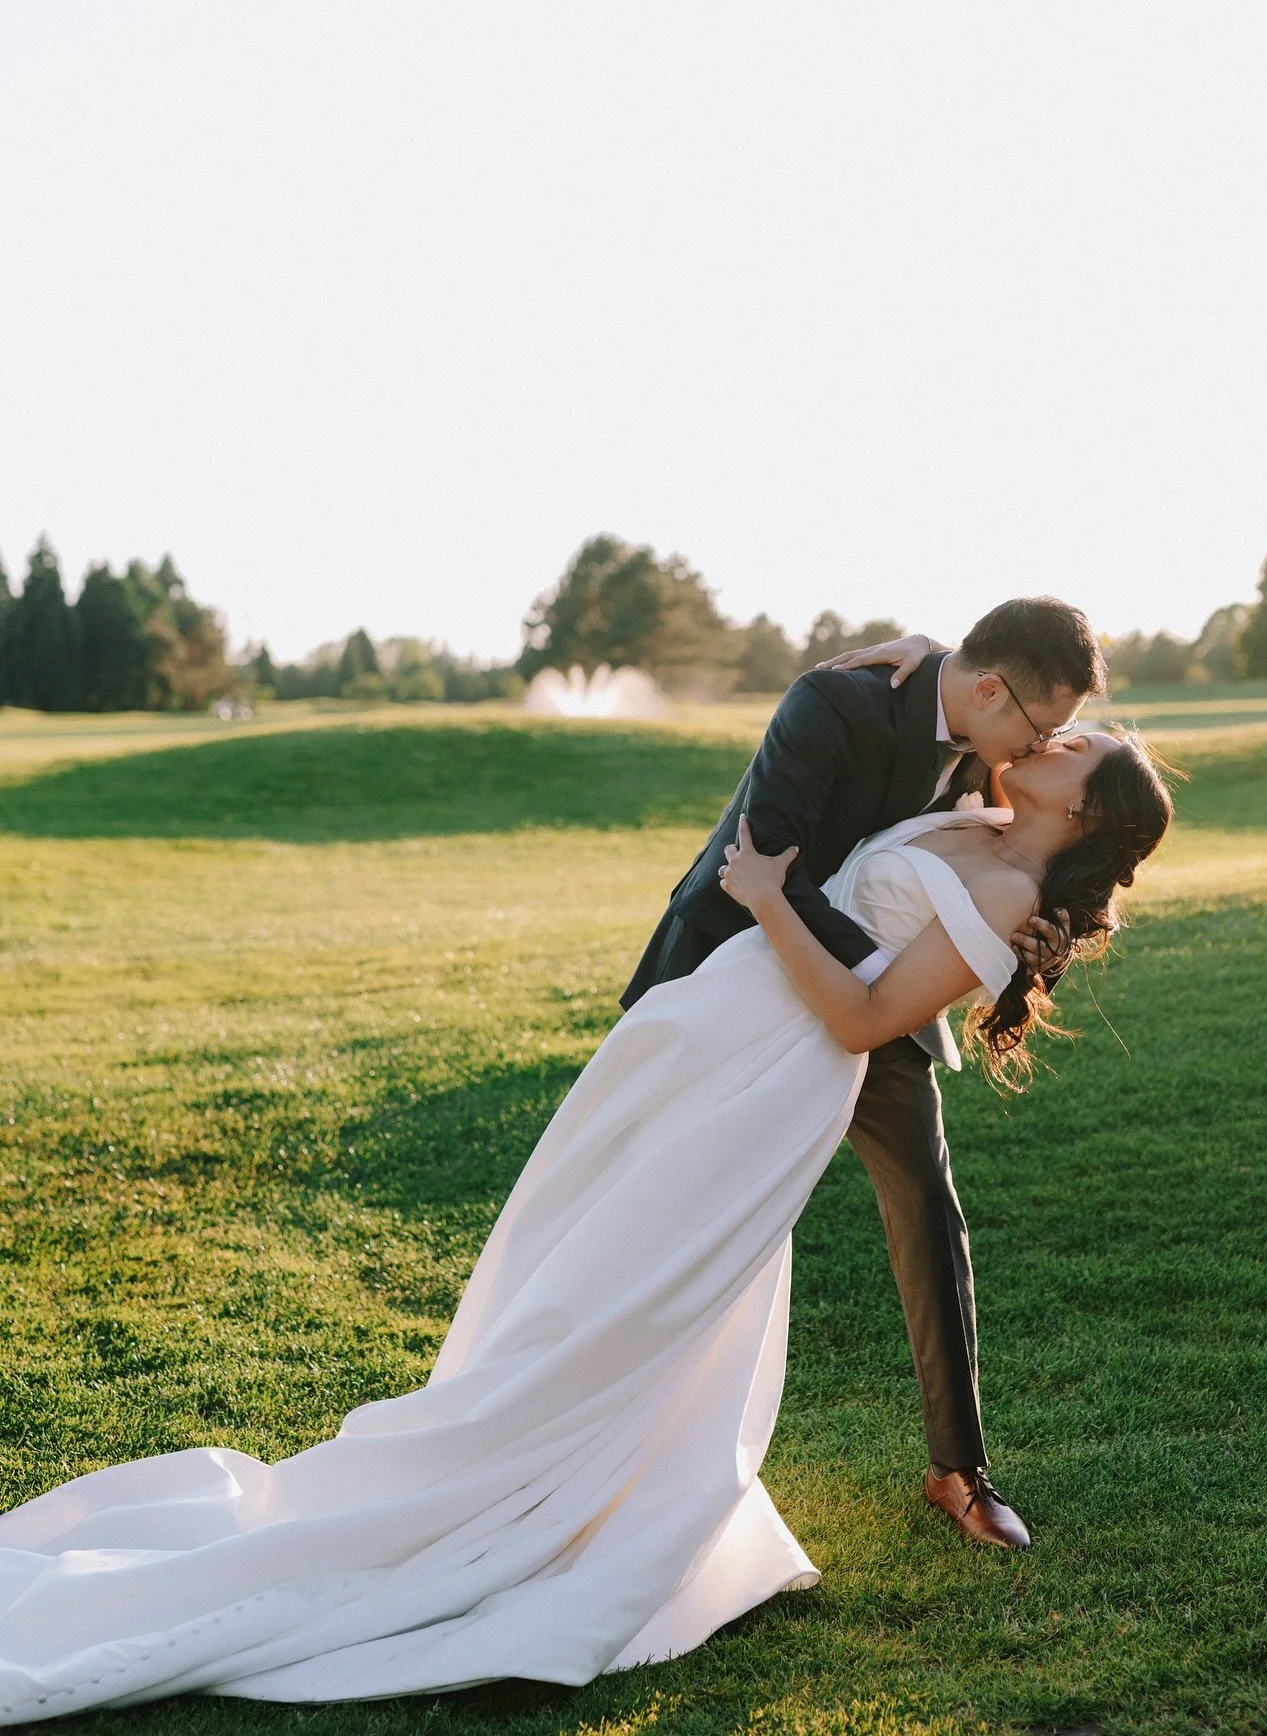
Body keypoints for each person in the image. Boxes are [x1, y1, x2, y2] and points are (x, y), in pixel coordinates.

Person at [0, 675, 1171, 1723]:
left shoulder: (1012, 899)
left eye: (1079, 742)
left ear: (1084, 810)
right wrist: (903, 660)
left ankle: (536, 1486)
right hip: (708, 1022)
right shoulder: (978, 807)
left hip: (777, 1071)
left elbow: (867, 1019)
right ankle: (523, 1442)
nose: (1060, 734)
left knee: (637, 1283)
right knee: (574, 1243)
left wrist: (767, 896)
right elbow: (927, 712)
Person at [623, 597, 1106, 1547]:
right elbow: (763, 862)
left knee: (926, 1203)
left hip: (873, 1003)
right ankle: (624, 1438)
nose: (1045, 747)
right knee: (659, 1209)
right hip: (736, 971)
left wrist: (1011, 941)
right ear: (992, 689)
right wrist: (900, 981)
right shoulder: (835, 703)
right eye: (1043, 726)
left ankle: (958, 1471)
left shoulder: (987, 736)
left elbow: (1023, 848)